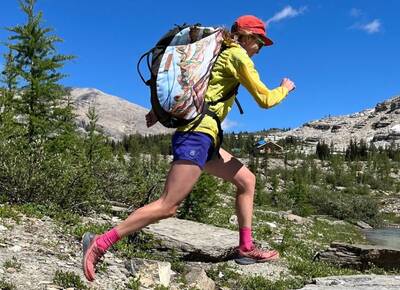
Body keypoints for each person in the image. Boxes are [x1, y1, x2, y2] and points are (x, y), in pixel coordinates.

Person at [82, 14, 295, 282]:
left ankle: (245, 248)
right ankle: (100, 243)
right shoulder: (238, 56)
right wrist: (285, 88)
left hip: (205, 137)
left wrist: (159, 112)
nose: (260, 49)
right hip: (197, 136)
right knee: (168, 205)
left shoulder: (217, 52)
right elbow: (265, 99)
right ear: (249, 36)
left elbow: (192, 85)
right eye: (260, 43)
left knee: (246, 180)